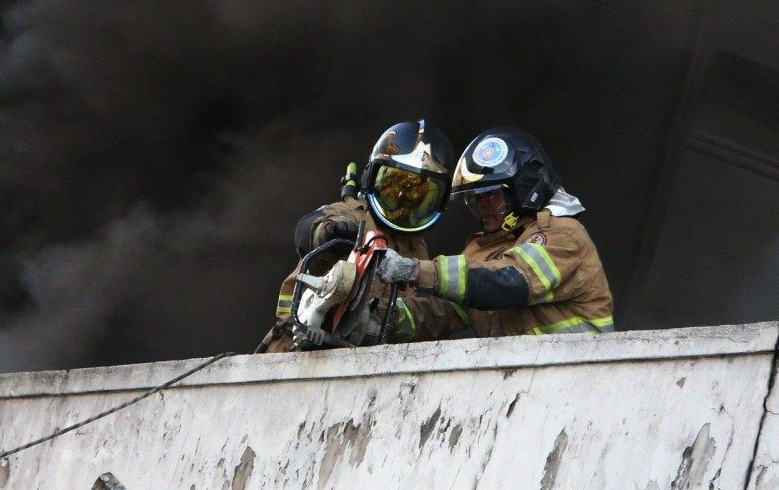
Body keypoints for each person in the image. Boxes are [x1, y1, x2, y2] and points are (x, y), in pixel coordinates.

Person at [377, 126, 615, 340]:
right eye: (476, 199)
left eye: (492, 196)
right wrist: (379, 317)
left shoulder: (563, 234)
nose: (483, 206)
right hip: (519, 373)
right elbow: (439, 312)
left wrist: (416, 270)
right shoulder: (485, 252)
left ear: (524, 189)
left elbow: (509, 282)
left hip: (581, 371)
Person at [258, 119, 454, 352]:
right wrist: (329, 233)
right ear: (372, 177)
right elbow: (307, 230)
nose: (403, 201)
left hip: (361, 359)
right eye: (394, 187)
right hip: (293, 350)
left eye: (419, 196)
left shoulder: (417, 248)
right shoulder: (351, 214)